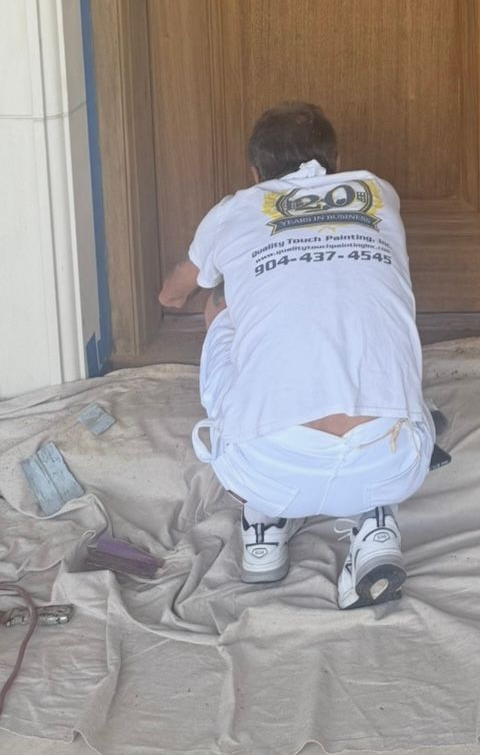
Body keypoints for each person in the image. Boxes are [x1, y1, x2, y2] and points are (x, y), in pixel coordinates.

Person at [159, 102, 436, 608]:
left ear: (254, 172)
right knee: (367, 338)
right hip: (393, 462)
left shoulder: (234, 209)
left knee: (218, 305)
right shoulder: (378, 193)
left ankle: (263, 520)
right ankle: (375, 524)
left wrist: (215, 278)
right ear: (336, 160)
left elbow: (171, 296)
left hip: (266, 468)